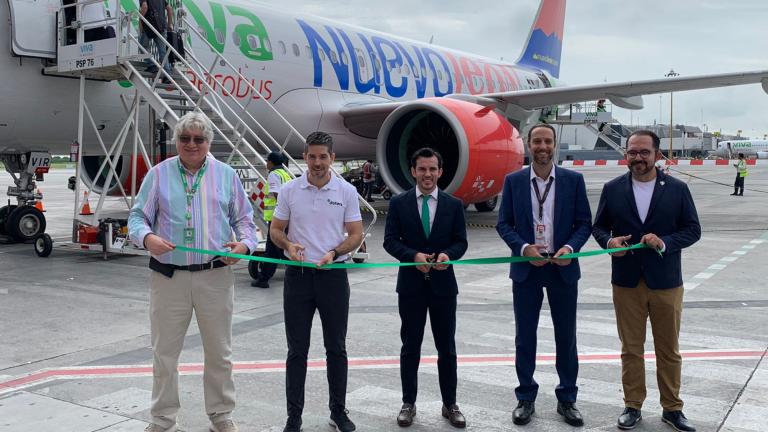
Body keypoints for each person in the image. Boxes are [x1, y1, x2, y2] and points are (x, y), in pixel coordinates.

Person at [128, 112, 257, 432]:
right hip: (168, 277)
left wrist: (244, 246)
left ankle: (221, 415)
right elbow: (136, 218)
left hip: (214, 276)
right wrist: (147, 238)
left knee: (219, 352)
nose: (191, 144)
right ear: (177, 142)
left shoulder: (226, 175)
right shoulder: (158, 175)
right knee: (164, 353)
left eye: (199, 139)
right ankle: (162, 418)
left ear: (208, 142)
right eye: (185, 139)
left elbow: (246, 222)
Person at [592, 130, 701, 432]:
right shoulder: (612, 189)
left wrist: (665, 242)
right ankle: (633, 405)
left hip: (666, 282)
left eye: (644, 152)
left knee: (668, 348)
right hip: (626, 282)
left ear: (657, 155)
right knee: (631, 348)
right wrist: (609, 242)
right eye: (632, 152)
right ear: (625, 154)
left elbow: (693, 230)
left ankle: (672, 408)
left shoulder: (677, 189)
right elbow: (599, 227)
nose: (638, 158)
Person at [496, 124, 592, 427]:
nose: (542, 146)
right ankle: (526, 397)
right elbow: (504, 223)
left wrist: (569, 248)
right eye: (537, 141)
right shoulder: (513, 182)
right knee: (525, 337)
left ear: (554, 145)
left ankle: (567, 398)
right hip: (527, 269)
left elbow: (584, 223)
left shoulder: (573, 181)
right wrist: (523, 248)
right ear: (528, 144)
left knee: (567, 337)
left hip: (562, 268)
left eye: (547, 141)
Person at [270, 131, 364, 432]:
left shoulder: (346, 191)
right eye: (312, 156)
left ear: (332, 158)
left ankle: (338, 410)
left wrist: (334, 252)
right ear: (304, 157)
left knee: (336, 347)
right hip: (298, 278)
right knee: (297, 350)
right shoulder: (289, 190)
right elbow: (276, 229)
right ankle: (293, 417)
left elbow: (356, 235)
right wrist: (288, 246)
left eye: (323, 156)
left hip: (333, 275)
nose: (317, 162)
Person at [383, 148, 468, 429]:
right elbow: (390, 241)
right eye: (422, 169)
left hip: (444, 287)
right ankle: (408, 403)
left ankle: (450, 404)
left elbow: (460, 242)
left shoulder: (454, 204)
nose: (428, 174)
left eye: (432, 169)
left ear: (440, 171)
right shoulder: (399, 203)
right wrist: (412, 256)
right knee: (410, 347)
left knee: (448, 348)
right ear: (413, 171)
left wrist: (448, 255)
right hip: (411, 287)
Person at [250, 151, 291, 288]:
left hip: (276, 217)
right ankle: (263, 279)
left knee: (278, 249)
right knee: (272, 250)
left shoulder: (273, 175)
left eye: (267, 161)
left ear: (271, 162)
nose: (266, 163)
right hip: (283, 217)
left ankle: (297, 273)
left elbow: (276, 194)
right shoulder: (285, 174)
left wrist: (281, 213)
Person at [139, 0, 174, 75]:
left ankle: (151, 65)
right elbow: (169, 9)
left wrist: (140, 22)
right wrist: (170, 24)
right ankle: (167, 74)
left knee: (142, 46)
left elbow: (144, 7)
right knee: (163, 52)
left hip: (149, 26)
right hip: (162, 27)